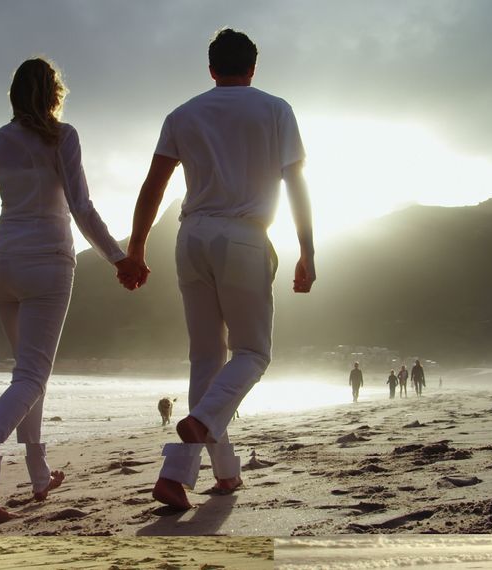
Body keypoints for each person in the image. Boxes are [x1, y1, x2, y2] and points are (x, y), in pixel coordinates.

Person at [0, 57, 145, 527]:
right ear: (53, 94)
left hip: (1, 266)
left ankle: (38, 474)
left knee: (27, 375)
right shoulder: (63, 136)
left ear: (15, 95)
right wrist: (120, 258)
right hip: (49, 263)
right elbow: (81, 206)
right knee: (32, 377)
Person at [125, 28, 315, 510]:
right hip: (244, 235)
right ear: (253, 68)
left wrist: (137, 248)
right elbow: (295, 181)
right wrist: (307, 249)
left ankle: (200, 474)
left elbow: (153, 186)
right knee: (252, 352)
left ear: (211, 69)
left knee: (207, 359)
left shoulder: (183, 114)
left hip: (190, 236)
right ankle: (204, 425)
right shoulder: (276, 109)